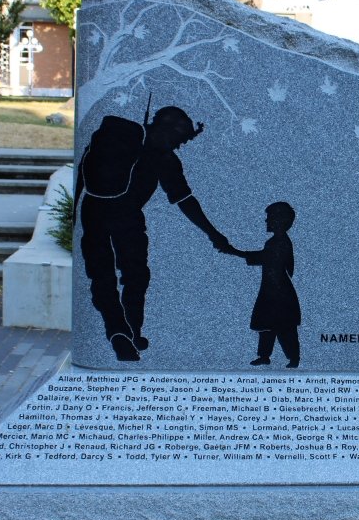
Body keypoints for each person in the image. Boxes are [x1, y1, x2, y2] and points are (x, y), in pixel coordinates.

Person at [74, 106, 231, 361]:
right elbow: (185, 200)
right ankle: (130, 332)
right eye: (179, 139)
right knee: (134, 275)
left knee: (102, 276)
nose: (179, 145)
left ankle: (119, 332)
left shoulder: (115, 139)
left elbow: (82, 170)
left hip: (93, 211)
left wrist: (73, 215)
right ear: (167, 130)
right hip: (128, 217)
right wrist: (214, 234)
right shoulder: (163, 157)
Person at [225, 202, 301, 369]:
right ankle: (265, 356)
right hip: (272, 289)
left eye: (270, 218)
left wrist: (234, 251)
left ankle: (293, 358)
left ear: (279, 220)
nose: (266, 221)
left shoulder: (279, 242)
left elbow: (264, 258)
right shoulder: (275, 241)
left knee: (284, 327)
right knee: (267, 325)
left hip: (279, 292)